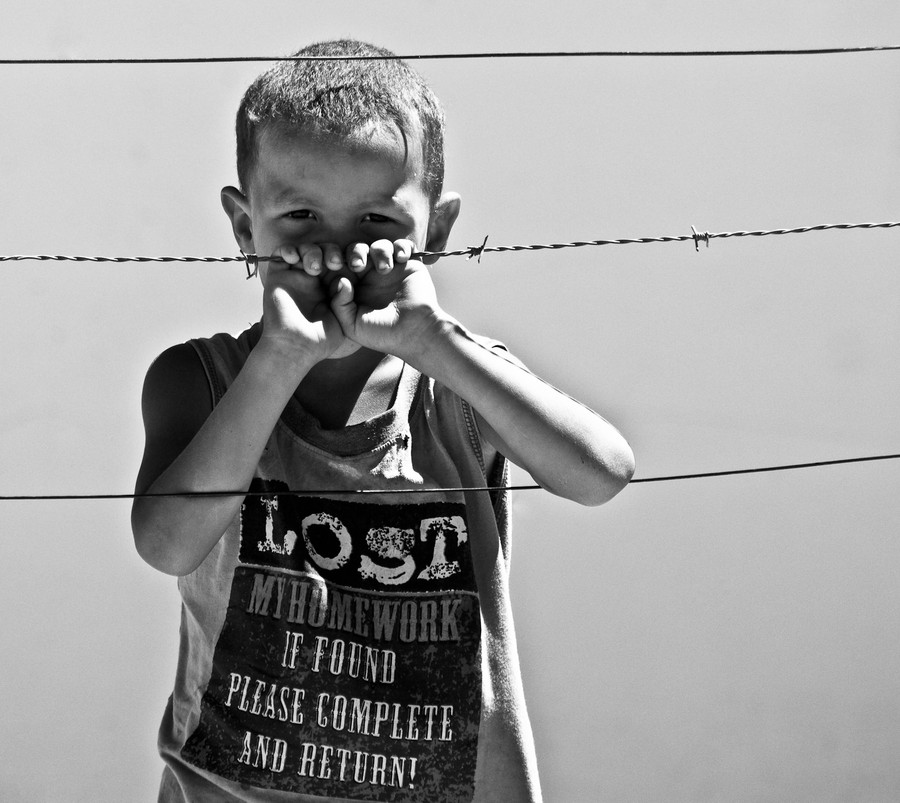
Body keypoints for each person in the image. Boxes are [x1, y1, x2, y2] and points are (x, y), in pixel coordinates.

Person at [132, 38, 634, 803]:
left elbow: (601, 474)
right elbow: (167, 544)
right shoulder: (202, 379)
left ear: (436, 230)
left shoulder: (456, 386)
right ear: (243, 226)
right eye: (300, 215)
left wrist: (436, 344)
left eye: (374, 218)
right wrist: (277, 363)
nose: (336, 250)